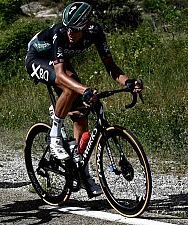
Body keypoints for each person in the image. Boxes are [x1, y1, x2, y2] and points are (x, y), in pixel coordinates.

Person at [25, 2, 143, 196]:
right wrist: (85, 89)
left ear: (87, 25)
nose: (70, 33)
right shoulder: (60, 33)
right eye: (68, 28)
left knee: (81, 115)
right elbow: (61, 75)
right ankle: (55, 133)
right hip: (36, 58)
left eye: (75, 30)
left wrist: (127, 81)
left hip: (56, 61)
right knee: (71, 88)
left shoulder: (95, 32)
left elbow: (110, 66)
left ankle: (82, 172)